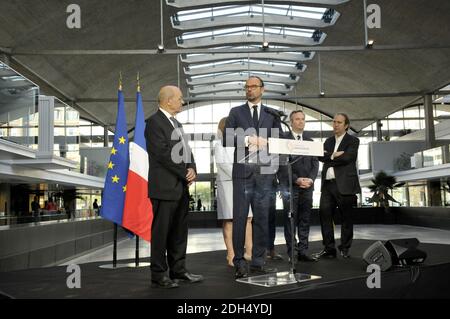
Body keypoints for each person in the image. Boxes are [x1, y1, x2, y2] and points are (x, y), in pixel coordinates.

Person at [224, 76, 282, 279]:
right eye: (246, 87)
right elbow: (227, 137)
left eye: (253, 86)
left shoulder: (271, 114)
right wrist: (249, 139)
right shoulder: (236, 112)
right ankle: (239, 261)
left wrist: (270, 143)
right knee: (240, 218)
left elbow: (281, 140)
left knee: (262, 220)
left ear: (262, 90)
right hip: (242, 174)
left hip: (265, 174)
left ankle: (258, 262)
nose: (249, 90)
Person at [145, 85, 203, 288]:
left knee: (179, 232)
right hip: (164, 188)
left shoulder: (176, 123)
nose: (182, 102)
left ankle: (178, 271)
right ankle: (159, 274)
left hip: (180, 187)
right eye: (179, 98)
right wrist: (183, 171)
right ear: (168, 101)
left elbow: (186, 150)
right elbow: (161, 153)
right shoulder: (153, 123)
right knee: (161, 233)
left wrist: (192, 167)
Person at [314, 113, 361, 259]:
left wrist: (330, 157)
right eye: (334, 122)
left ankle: (345, 248)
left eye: (339, 122)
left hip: (345, 185)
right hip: (328, 186)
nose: (335, 124)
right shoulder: (328, 141)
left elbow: (348, 158)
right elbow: (320, 156)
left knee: (346, 218)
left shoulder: (353, 140)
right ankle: (329, 249)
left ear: (346, 125)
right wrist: (335, 155)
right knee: (324, 215)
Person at [279, 110, 319, 262]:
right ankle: (292, 253)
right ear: (291, 122)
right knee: (291, 220)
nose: (301, 122)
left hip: (308, 187)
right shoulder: (284, 140)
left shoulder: (310, 142)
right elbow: (282, 165)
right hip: (291, 187)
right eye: (297, 119)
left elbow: (315, 164)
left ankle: (303, 251)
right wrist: (297, 180)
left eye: (303, 119)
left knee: (305, 219)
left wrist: (311, 179)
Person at [215, 117, 253, 267]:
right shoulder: (219, 144)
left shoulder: (241, 144)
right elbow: (223, 164)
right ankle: (231, 254)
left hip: (242, 183)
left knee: (248, 218)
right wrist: (241, 175)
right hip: (228, 184)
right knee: (230, 219)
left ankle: (249, 252)